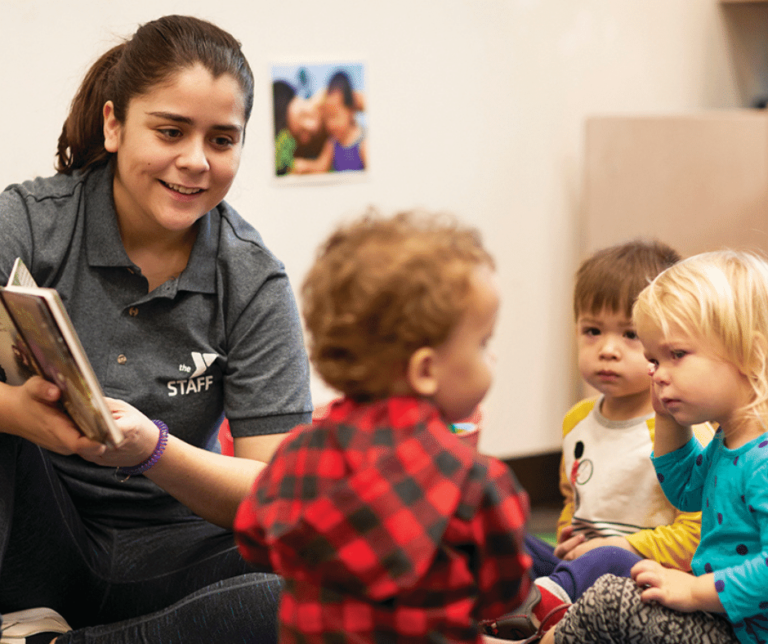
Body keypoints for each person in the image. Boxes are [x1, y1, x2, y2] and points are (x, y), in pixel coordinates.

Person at [0, 14, 312, 644]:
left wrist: (153, 451)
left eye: (222, 140)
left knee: (321, 580)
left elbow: (273, 497)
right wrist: (17, 413)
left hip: (174, 553)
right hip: (30, 542)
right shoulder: (27, 224)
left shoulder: (252, 279)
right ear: (114, 125)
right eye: (170, 131)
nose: (195, 162)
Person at [234, 210, 532, 643]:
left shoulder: (296, 457)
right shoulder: (474, 483)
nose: (492, 359)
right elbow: (505, 595)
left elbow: (254, 539)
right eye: (483, 344)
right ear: (425, 370)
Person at [482, 240, 714, 642]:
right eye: (592, 331)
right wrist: (569, 535)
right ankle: (514, 607)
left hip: (644, 575)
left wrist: (617, 545)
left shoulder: (685, 426)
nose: (607, 350)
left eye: (630, 335)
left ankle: (536, 614)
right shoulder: (577, 420)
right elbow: (574, 497)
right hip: (579, 566)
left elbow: (697, 534)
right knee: (508, 535)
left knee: (607, 557)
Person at [543, 249, 768, 644]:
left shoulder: (762, 459)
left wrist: (695, 591)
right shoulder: (728, 439)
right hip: (721, 619)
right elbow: (683, 489)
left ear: (748, 354)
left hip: (743, 631)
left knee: (613, 599)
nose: (658, 374)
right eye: (653, 359)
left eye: (675, 356)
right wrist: (665, 418)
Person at [291, 71, 367, 174]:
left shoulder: (362, 143)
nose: (330, 124)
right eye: (326, 118)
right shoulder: (332, 144)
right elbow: (320, 167)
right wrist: (305, 166)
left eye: (334, 116)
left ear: (351, 112)